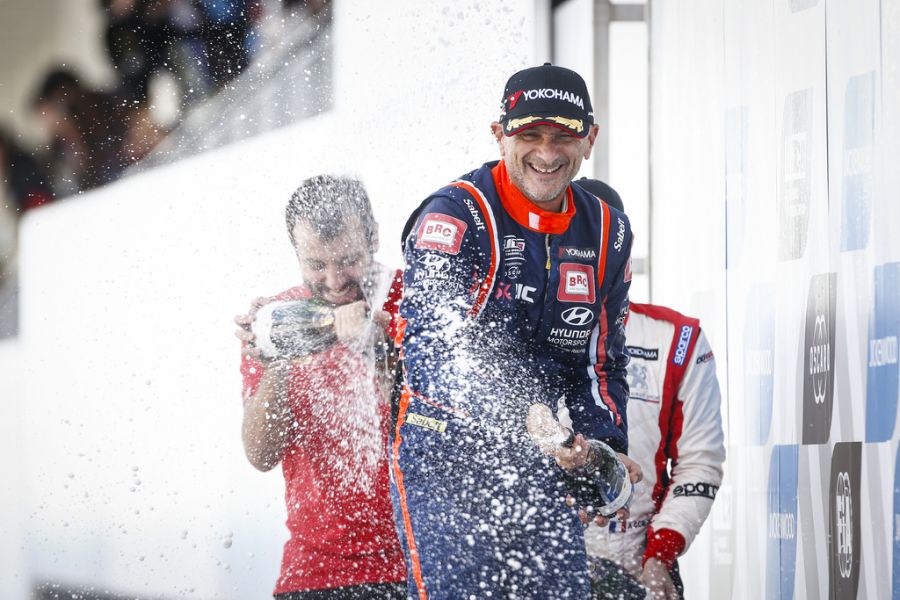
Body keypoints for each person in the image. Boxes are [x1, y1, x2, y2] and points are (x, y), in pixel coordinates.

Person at [391, 63, 641, 599]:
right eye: (530, 135)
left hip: (542, 461)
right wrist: (519, 414)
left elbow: (602, 362)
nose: (547, 154)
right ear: (499, 134)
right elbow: (434, 350)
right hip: (444, 461)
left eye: (563, 137)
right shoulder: (456, 215)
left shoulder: (609, 231)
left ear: (590, 139)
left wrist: (600, 446)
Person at [235, 175, 406, 599]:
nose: (333, 281)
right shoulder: (279, 319)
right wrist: (280, 357)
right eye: (316, 265)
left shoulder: (412, 299)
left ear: (374, 237)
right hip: (314, 573)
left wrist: (375, 345)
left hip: (414, 563)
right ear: (297, 255)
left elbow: (437, 433)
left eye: (347, 260)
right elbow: (260, 455)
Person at [571, 178, 726, 600]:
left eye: (599, 241)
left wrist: (660, 557)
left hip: (637, 568)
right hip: (544, 564)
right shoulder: (515, 337)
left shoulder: (677, 341)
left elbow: (699, 463)